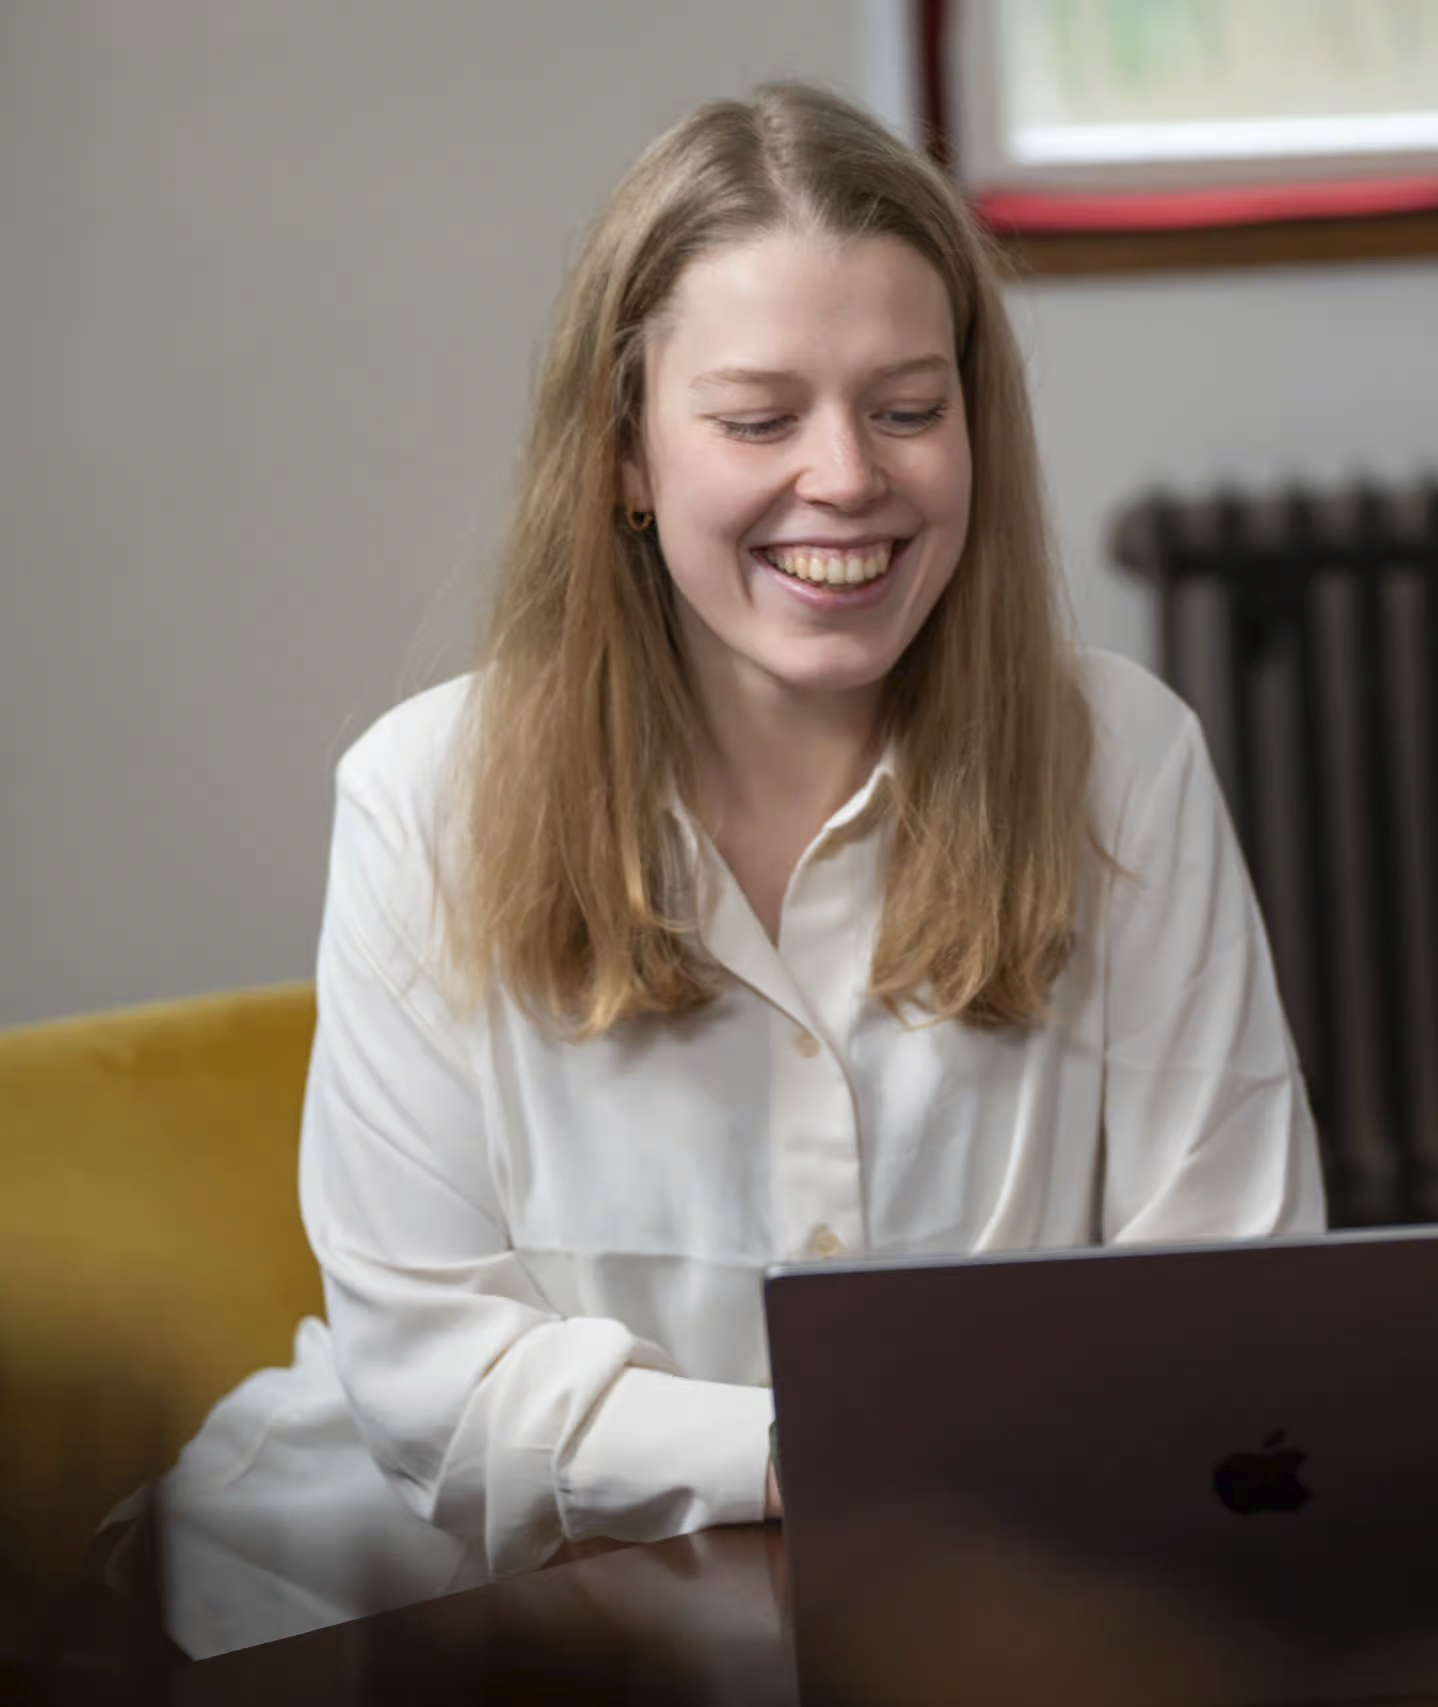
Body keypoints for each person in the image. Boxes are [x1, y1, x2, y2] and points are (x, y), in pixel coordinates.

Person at [147, 81, 1322, 1658]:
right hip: (470, 1600)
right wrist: (810, 1461)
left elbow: (1234, 1295)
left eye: (907, 407)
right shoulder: (425, 798)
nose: (845, 478)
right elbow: (434, 1370)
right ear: (625, 453)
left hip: (992, 1594)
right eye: (759, 419)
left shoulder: (1130, 761)